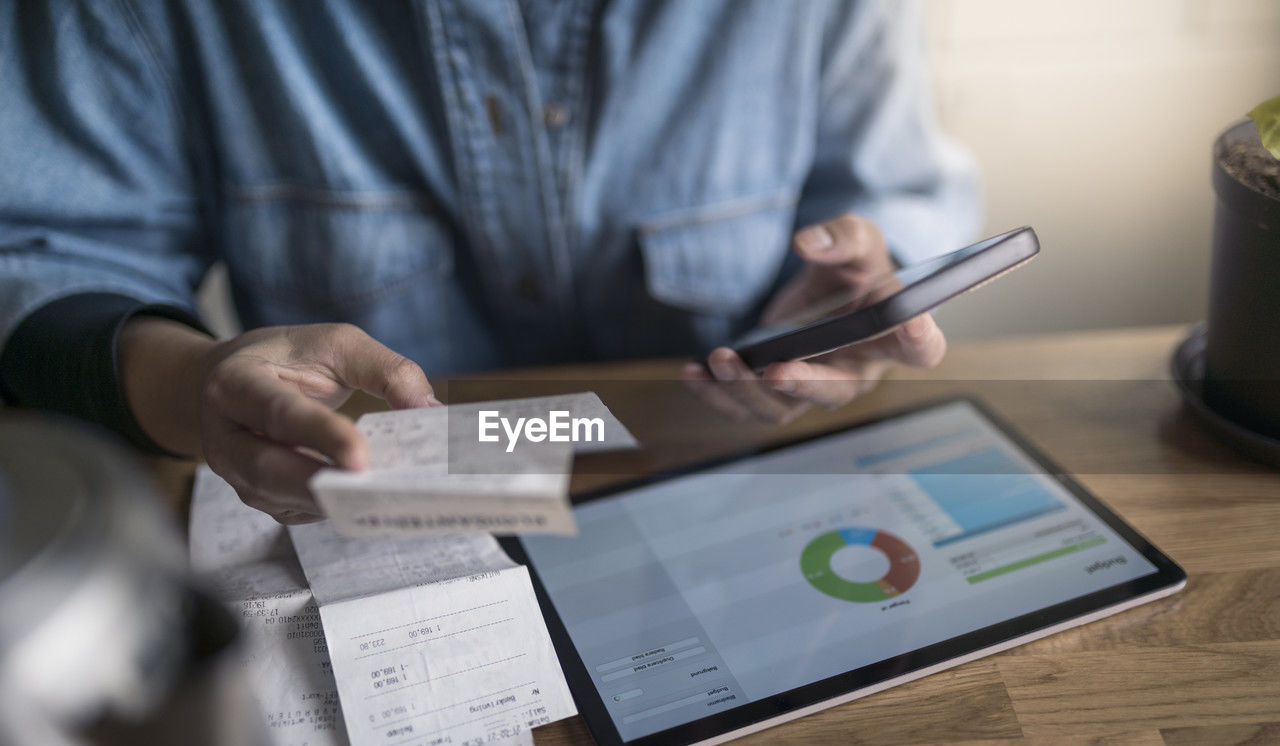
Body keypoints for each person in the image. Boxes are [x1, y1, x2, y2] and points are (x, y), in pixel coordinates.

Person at [0, 0, 979, 524]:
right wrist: (194, 385)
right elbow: (51, 258)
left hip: (743, 499)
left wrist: (848, 302)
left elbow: (886, 195)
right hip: (356, 520)